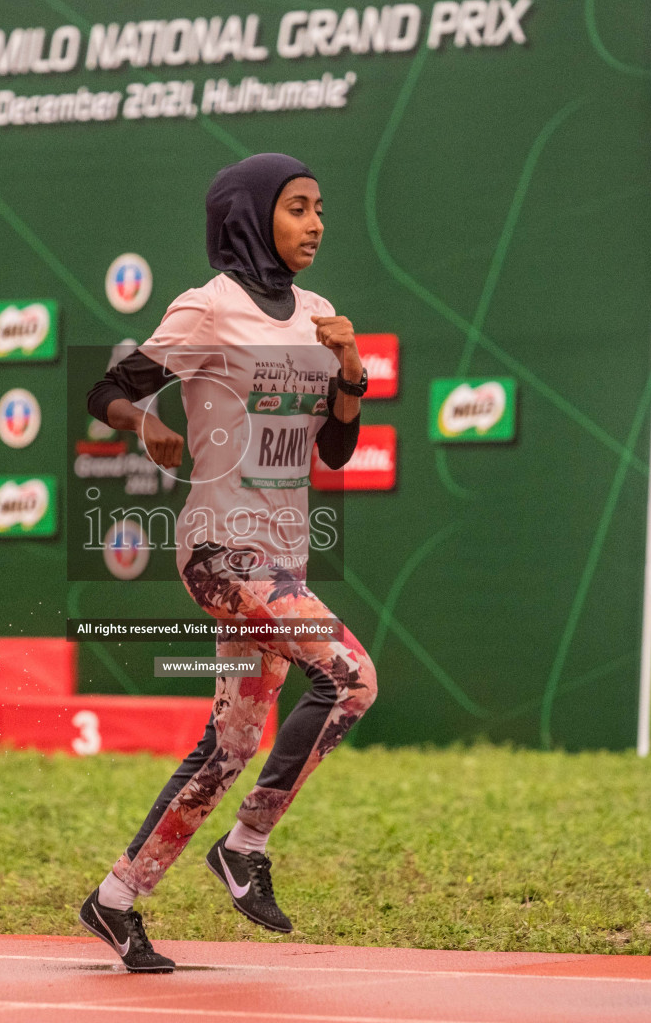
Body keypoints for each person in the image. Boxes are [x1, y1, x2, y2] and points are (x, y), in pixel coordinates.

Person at [79, 153, 378, 973]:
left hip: (282, 559)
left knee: (231, 746)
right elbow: (107, 388)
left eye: (320, 208)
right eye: (296, 208)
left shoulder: (319, 315)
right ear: (249, 217)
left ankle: (112, 900)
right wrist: (145, 428)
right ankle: (244, 846)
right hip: (220, 554)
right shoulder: (207, 310)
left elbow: (340, 449)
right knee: (352, 677)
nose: (315, 223)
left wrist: (352, 372)